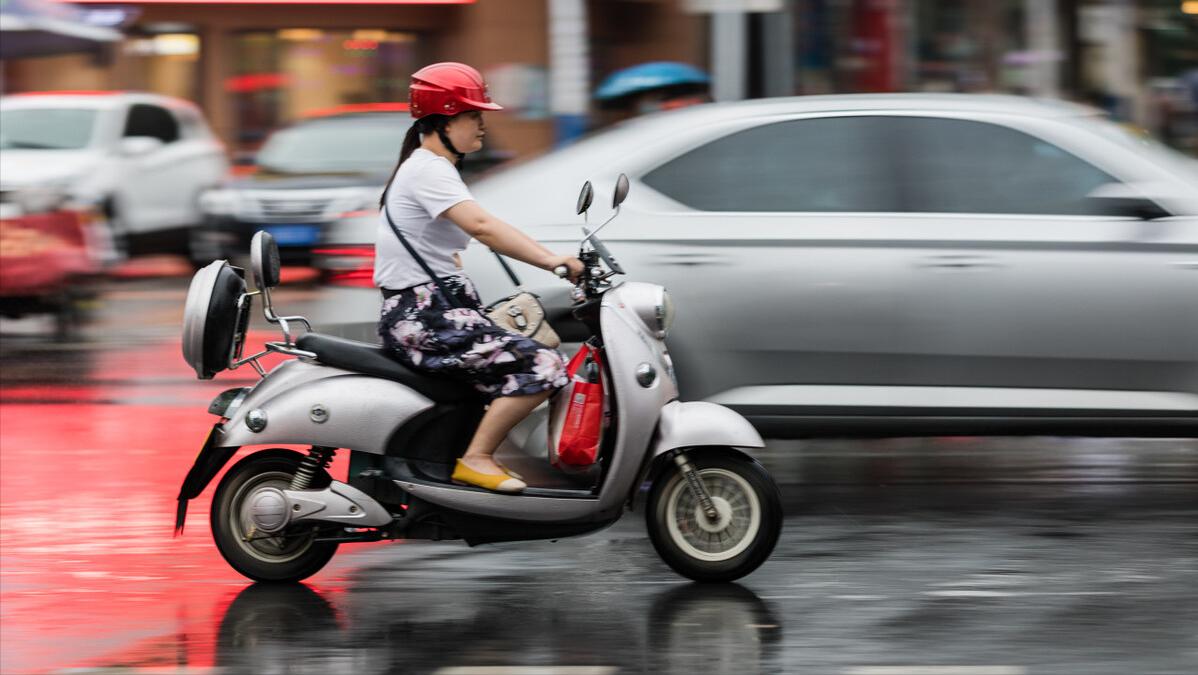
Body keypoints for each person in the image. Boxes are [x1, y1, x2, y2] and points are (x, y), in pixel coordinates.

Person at [375, 62, 584, 494]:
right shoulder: (428, 169)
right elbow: (483, 227)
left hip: (435, 311)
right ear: (444, 119)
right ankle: (477, 458)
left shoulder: (431, 168)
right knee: (544, 364)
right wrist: (551, 261)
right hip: (424, 317)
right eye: (474, 116)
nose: (482, 127)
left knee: (538, 340)